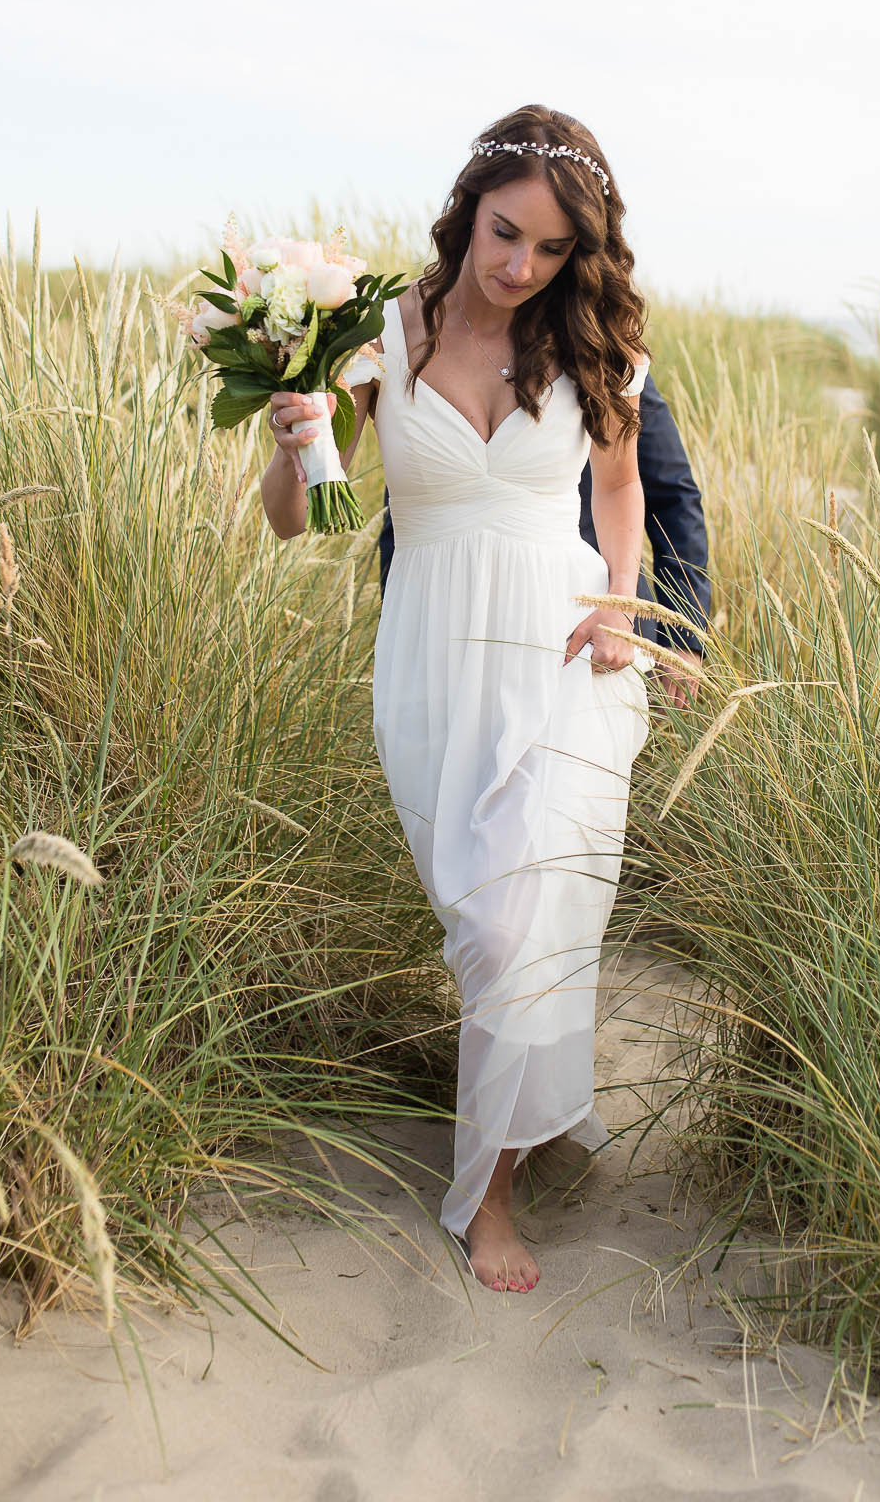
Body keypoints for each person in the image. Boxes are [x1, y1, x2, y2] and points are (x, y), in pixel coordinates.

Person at [262, 107, 666, 1295]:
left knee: (514, 924)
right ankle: (516, 1117)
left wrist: (623, 603)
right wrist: (298, 442)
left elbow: (622, 482)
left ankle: (485, 1193)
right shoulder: (375, 330)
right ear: (469, 202)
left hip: (559, 648)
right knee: (484, 919)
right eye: (504, 234)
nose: (518, 268)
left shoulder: (591, 344)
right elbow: (302, 522)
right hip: (434, 654)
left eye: (546, 249)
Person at [379, 371, 709, 703]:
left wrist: (682, 638)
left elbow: (671, 495)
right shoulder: (426, 348)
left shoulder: (603, 346)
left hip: (590, 633)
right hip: (448, 632)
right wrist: (401, 623)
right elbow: (409, 509)